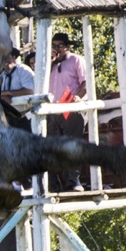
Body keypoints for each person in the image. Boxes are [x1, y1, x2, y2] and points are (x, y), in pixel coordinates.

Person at [47, 32, 87, 192]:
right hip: (53, 110)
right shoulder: (50, 64)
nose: (56, 49)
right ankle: (52, 185)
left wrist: (78, 97)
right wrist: (50, 62)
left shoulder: (76, 60)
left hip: (71, 108)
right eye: (54, 46)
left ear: (67, 47)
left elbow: (86, 83)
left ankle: (74, 181)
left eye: (60, 46)